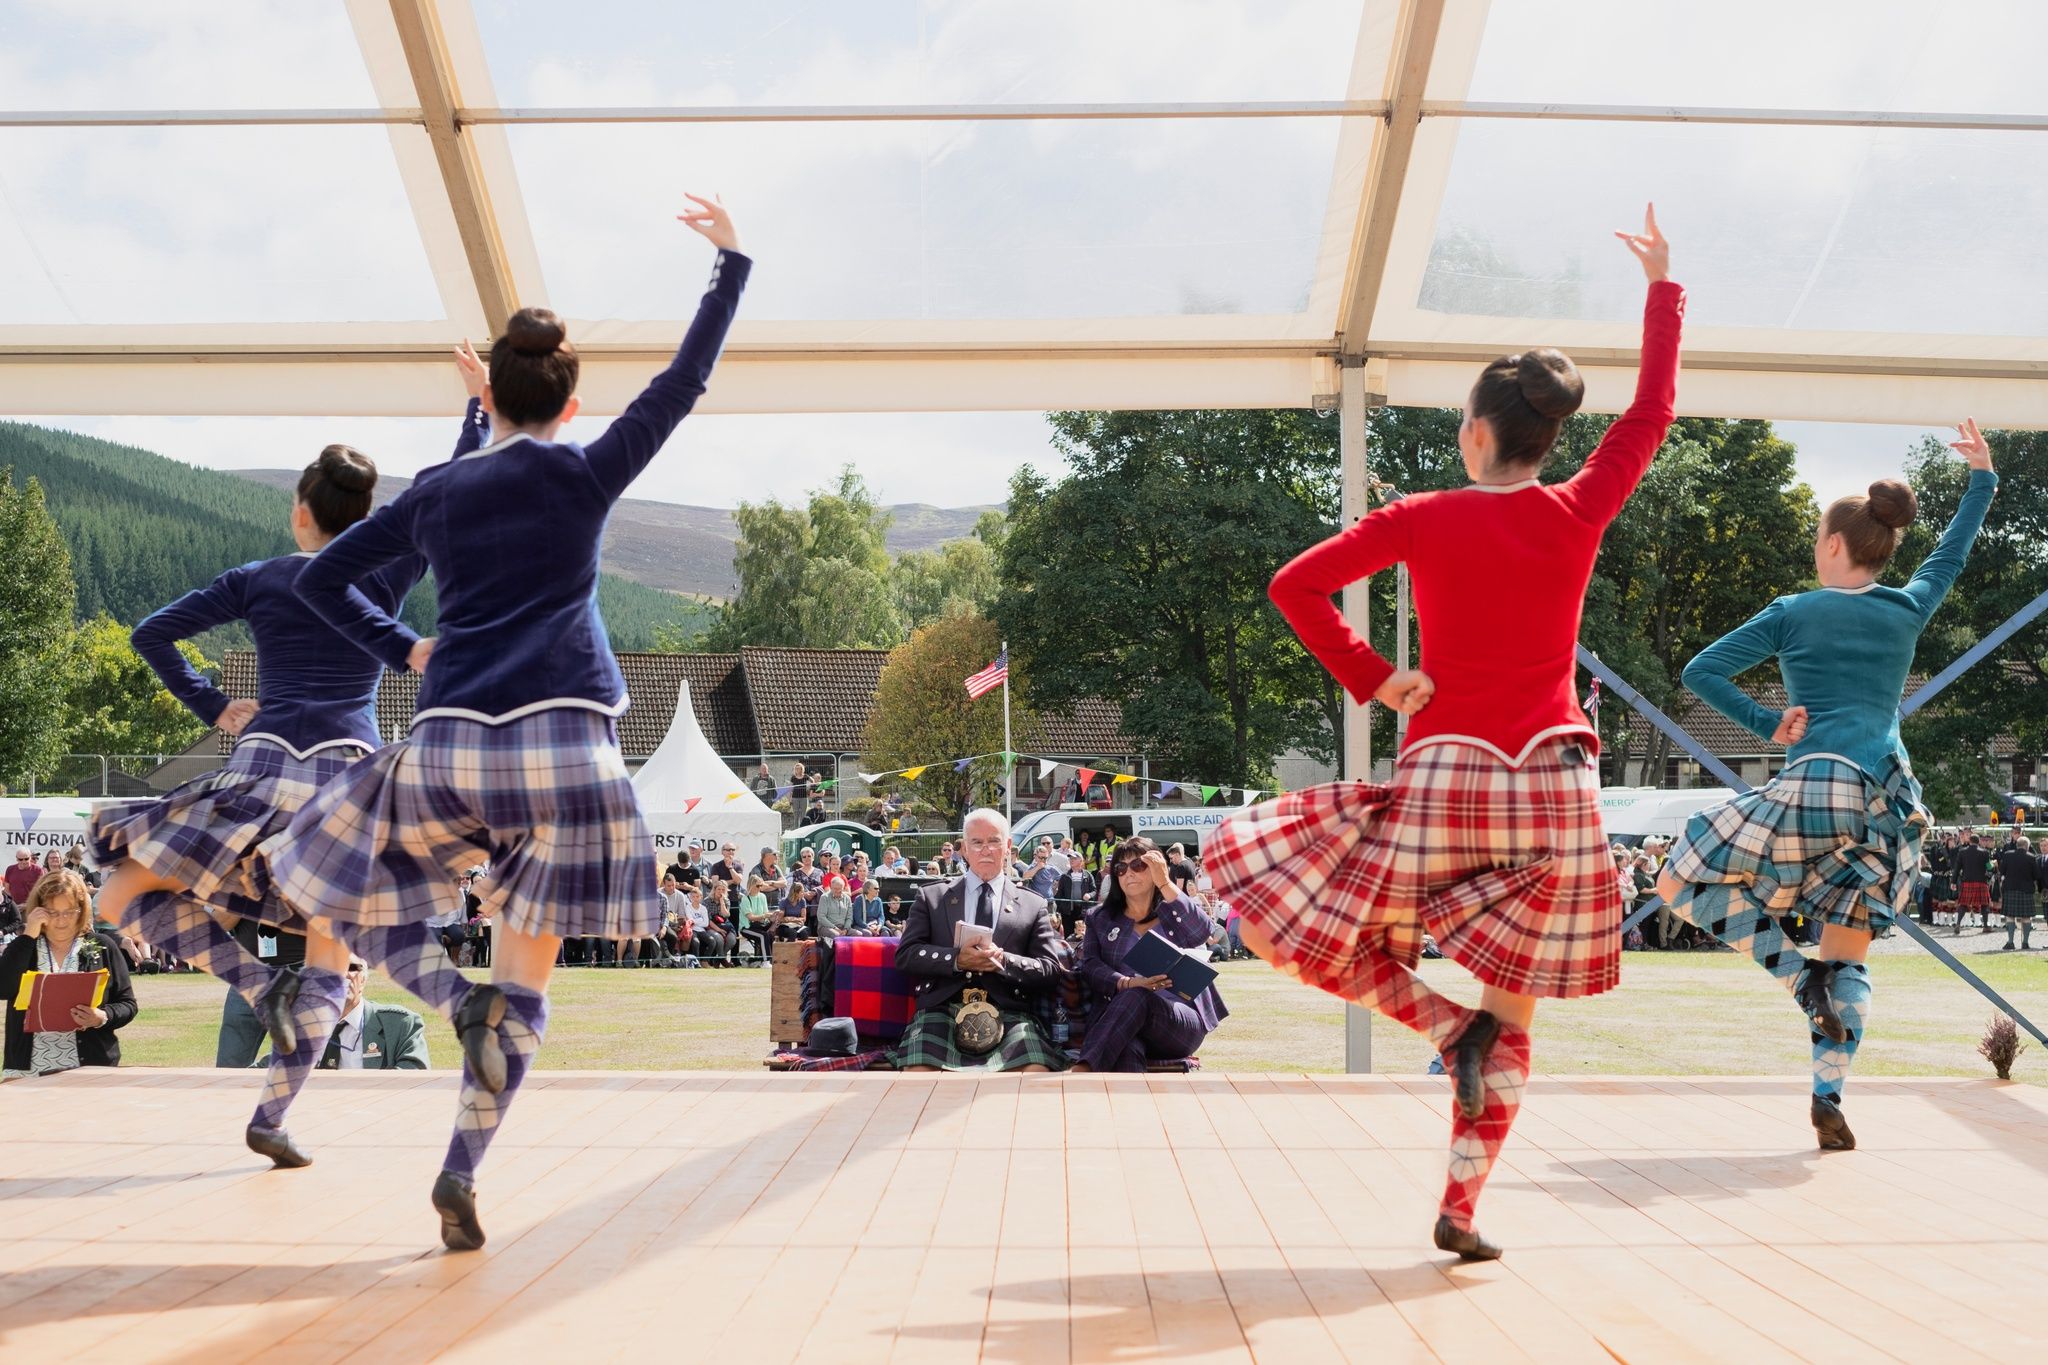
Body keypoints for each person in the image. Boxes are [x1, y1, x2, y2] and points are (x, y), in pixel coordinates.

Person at [268, 194, 748, 1250]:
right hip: (567, 751)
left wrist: (405, 647)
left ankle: (453, 996)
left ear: (490, 394)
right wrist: (729, 262)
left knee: (341, 889)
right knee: (529, 981)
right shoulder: (586, 470)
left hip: (447, 742)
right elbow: (683, 381)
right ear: (571, 403)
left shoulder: (438, 493)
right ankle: (460, 1166)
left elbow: (322, 580)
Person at [1214, 208, 1679, 1261]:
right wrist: (1661, 289)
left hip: (1447, 777)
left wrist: (1378, 680)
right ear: (1545, 439)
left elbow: (1294, 586)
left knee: (1282, 919)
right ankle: (1461, 1207)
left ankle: (1442, 1025)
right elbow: (1652, 411)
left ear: (1474, 434)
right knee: (1517, 1011)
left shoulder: (1422, 515)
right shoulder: (1577, 510)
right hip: (1553, 785)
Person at [86, 441, 439, 1170]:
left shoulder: (260, 578)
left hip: (264, 764)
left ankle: (257, 982)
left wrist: (213, 705)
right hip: (346, 780)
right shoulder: (387, 573)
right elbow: (443, 494)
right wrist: (476, 412)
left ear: (300, 513)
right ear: (366, 518)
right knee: (331, 958)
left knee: (119, 890)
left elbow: (151, 633)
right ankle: (272, 1117)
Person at [1658, 420, 1999, 1155]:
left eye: (1818, 536)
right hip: (1886, 803)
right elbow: (1952, 552)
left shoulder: (1794, 611)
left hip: (1816, 784)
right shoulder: (1907, 608)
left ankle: (1796, 979)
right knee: (1850, 953)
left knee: (1679, 876)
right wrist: (1982, 478)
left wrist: (1767, 721)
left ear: (1836, 544)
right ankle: (1828, 1098)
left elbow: (1700, 671)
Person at [891, 808, 1070, 1073]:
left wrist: (1004, 961)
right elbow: (906, 955)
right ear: (964, 849)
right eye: (977, 842)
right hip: (941, 1010)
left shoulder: (1033, 904)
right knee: (918, 1074)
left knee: (1035, 1072)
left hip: (1009, 1011)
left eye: (994, 841)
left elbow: (1050, 970)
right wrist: (955, 960)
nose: (986, 850)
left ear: (1007, 846)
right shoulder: (933, 897)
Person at [1074, 838, 1227, 1072]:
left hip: (1179, 1022)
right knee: (1127, 1046)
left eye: (1138, 865)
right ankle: (1124, 1096)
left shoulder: (1173, 909)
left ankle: (1083, 1070)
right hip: (1123, 1018)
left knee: (1139, 996)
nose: (1129, 873)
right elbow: (1090, 966)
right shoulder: (1100, 918)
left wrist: (1164, 882)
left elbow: (1202, 932)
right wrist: (1127, 982)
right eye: (1121, 868)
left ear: (1157, 867)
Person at [2, 870, 139, 1080]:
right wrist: (28, 935)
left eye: (69, 912)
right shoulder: (24, 946)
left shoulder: (103, 946)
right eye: (52, 912)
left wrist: (102, 1017)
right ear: (38, 909)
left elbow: (128, 1004)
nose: (61, 920)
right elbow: (3, 989)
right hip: (27, 1070)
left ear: (82, 910)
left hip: (90, 1069)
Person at [258, 956, 431, 1074]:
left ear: (363, 980)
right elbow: (266, 1070)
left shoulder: (400, 1024)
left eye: (352, 968)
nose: (342, 975)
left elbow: (414, 1077)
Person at [1997, 834, 2038, 950]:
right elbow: (2036, 875)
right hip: (2026, 891)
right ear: (2027, 846)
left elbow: (2001, 871)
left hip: (2010, 889)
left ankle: (2010, 942)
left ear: (2017, 845)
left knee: (2010, 916)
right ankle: (2025, 943)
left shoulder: (2007, 855)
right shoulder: (2031, 857)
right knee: (2026, 917)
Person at [1954, 832, 1993, 932]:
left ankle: (1958, 924)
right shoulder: (1984, 852)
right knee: (1984, 904)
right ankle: (1985, 926)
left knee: (1963, 904)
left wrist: (1953, 881)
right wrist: (1993, 865)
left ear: (1969, 841)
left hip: (1967, 882)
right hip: (1981, 882)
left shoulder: (1962, 852)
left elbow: (1957, 868)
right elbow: (1989, 867)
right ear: (1978, 841)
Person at [736, 875, 776, 964]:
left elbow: (765, 913)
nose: (760, 888)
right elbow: (750, 917)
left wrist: (773, 916)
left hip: (760, 925)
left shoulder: (762, 896)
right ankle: (766, 961)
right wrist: (764, 916)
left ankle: (771, 960)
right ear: (751, 885)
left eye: (761, 885)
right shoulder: (745, 899)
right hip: (746, 928)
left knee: (771, 934)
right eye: (758, 886)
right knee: (763, 936)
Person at [1055, 857, 1098, 927]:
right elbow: (1059, 894)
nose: (1071, 860)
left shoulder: (1088, 875)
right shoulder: (1064, 876)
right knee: (1068, 932)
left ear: (1081, 861)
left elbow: (1094, 890)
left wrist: (1089, 895)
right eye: (1070, 859)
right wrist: (1061, 908)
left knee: (1082, 932)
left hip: (1083, 911)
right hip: (1068, 912)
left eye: (1074, 859)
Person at [817, 875, 855, 941]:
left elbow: (849, 917)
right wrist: (835, 928)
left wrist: (846, 929)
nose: (837, 891)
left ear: (843, 888)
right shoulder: (824, 897)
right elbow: (821, 917)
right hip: (826, 927)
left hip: (843, 928)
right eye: (835, 889)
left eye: (839, 889)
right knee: (837, 935)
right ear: (831, 887)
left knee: (858, 934)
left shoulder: (847, 898)